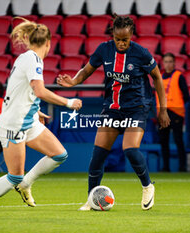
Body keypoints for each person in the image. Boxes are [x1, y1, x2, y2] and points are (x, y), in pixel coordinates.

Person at [57, 15, 170, 211]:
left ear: (131, 36)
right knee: (98, 155)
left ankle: (147, 186)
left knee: (130, 149)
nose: (121, 43)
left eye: (125, 39)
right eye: (118, 39)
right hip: (112, 109)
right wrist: (74, 81)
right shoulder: (104, 49)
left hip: (137, 108)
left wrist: (163, 110)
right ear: (113, 36)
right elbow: (86, 70)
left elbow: (158, 78)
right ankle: (91, 200)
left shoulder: (141, 54)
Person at [0, 18, 82, 218]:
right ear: (49, 43)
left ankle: (26, 183)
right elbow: (39, 90)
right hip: (14, 125)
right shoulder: (32, 59)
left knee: (59, 155)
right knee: (14, 176)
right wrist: (68, 102)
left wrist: (35, 110)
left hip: (28, 119)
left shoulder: (28, 58)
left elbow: (22, 91)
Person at [156, 53, 190, 172]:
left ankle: (182, 166)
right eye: (166, 61)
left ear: (174, 63)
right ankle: (165, 167)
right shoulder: (158, 76)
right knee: (163, 141)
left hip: (176, 112)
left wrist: (176, 105)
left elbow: (186, 95)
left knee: (178, 140)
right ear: (163, 63)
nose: (168, 64)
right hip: (162, 113)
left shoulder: (179, 76)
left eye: (170, 61)